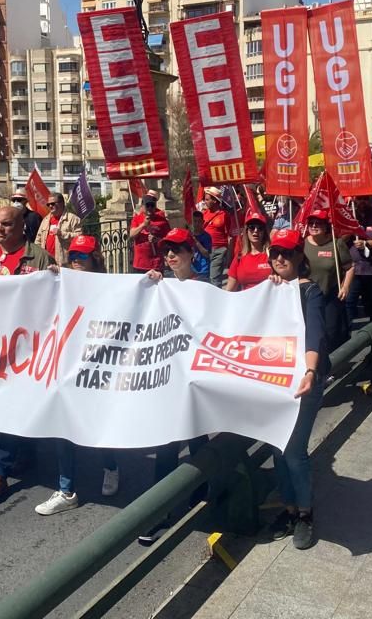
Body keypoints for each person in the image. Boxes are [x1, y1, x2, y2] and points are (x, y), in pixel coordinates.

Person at [35, 234, 121, 515]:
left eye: (82, 256)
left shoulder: (111, 287)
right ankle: (66, 488)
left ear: (95, 259)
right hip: (67, 365)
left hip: (97, 366)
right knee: (64, 426)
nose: (77, 261)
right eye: (73, 256)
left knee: (96, 425)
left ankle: (111, 466)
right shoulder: (63, 284)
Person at [0, 205, 54, 497]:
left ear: (22, 226)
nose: (0, 229)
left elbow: (53, 298)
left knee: (11, 402)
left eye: (6, 224)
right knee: (15, 405)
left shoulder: (40, 258)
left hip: (24, 345)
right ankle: (26, 452)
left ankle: (0, 472)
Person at [140, 228, 209, 543]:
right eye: (167, 251)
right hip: (167, 380)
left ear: (189, 254)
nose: (170, 256)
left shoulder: (204, 288)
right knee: (166, 444)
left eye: (177, 250)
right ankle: (161, 511)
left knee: (197, 440)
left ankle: (205, 490)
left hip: (192, 380)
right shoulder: (159, 286)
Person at [266, 227, 326, 550]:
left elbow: (314, 334)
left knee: (293, 450)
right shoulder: (272, 289)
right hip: (276, 380)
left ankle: (305, 513)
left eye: (286, 253)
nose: (279, 258)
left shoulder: (310, 293)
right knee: (277, 447)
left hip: (305, 381)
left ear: (300, 257)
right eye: (275, 252)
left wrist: (311, 370)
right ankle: (288, 509)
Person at [303, 209, 354, 353]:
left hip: (329, 296)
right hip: (308, 298)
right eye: (311, 223)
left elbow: (350, 268)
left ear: (326, 226)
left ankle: (332, 365)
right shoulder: (302, 243)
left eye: (318, 223)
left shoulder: (337, 244)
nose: (313, 226)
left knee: (331, 333)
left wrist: (345, 287)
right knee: (312, 333)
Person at [224, 210, 271, 292]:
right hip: (246, 303)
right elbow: (229, 290)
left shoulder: (272, 255)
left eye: (260, 228)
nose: (256, 230)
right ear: (246, 231)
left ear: (264, 232)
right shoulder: (239, 257)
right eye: (252, 227)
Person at [129, 189, 171, 274]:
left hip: (156, 264)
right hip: (140, 264)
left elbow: (168, 240)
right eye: (148, 205)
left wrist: (158, 240)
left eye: (152, 206)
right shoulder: (137, 219)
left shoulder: (162, 221)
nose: (150, 208)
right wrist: (143, 225)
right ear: (143, 206)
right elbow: (131, 234)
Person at [34, 192, 82, 265]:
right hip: (46, 263)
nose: (50, 206)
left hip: (64, 264)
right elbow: (38, 240)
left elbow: (80, 238)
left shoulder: (73, 219)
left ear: (62, 203)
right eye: (48, 204)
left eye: (53, 203)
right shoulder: (45, 220)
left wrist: (62, 234)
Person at [201, 187, 230, 285]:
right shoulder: (203, 214)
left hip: (219, 250)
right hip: (205, 250)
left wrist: (228, 252)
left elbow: (229, 233)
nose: (205, 202)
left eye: (207, 199)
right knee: (204, 278)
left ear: (214, 200)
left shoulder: (224, 215)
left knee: (214, 278)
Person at [189, 210, 212, 280]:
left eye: (199, 221)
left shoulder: (206, 236)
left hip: (203, 270)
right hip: (191, 270)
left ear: (203, 222)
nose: (197, 224)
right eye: (195, 221)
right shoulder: (189, 235)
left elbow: (206, 254)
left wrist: (196, 241)